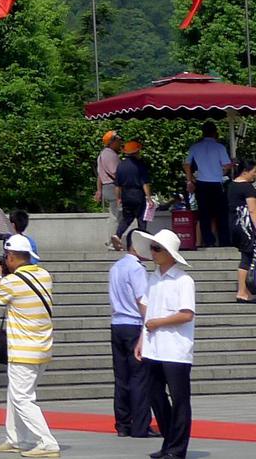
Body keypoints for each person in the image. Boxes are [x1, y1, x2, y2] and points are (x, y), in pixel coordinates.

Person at [0, 234, 59, 456]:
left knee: (22, 398)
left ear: (10, 256)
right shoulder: (44, 275)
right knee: (15, 393)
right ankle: (17, 438)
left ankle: (47, 443)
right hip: (41, 347)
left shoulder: (11, 282)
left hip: (23, 350)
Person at [134, 228, 196, 459]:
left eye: (157, 248)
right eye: (152, 247)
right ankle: (169, 442)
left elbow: (186, 314)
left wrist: (159, 322)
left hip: (176, 350)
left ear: (170, 253)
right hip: (154, 346)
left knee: (180, 400)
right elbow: (147, 313)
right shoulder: (154, 278)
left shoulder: (183, 280)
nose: (153, 252)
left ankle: (177, 448)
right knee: (155, 396)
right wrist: (141, 339)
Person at [107, 235, 155, 441]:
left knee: (121, 378)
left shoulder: (116, 267)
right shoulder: (137, 268)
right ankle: (141, 425)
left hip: (117, 324)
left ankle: (123, 423)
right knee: (139, 378)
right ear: (135, 247)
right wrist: (148, 326)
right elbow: (142, 299)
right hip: (134, 324)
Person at [185, 122, 233, 249]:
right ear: (215, 132)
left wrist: (189, 180)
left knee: (204, 214)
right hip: (217, 183)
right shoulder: (220, 147)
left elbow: (186, 164)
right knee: (221, 213)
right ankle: (224, 241)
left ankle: (208, 241)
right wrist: (222, 171)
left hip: (201, 183)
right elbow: (227, 165)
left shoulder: (195, 147)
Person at [115, 139, 151, 246]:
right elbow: (145, 182)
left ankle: (117, 235)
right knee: (141, 219)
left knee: (127, 218)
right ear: (136, 152)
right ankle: (142, 241)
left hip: (126, 195)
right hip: (138, 194)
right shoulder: (140, 165)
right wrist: (148, 197)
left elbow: (117, 185)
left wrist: (118, 198)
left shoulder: (120, 165)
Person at [230, 161, 256, 303]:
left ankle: (245, 291)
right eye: (254, 172)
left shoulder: (232, 185)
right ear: (245, 171)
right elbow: (252, 210)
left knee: (246, 255)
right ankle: (242, 291)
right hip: (246, 227)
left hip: (235, 226)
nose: (255, 175)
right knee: (248, 256)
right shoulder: (247, 188)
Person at [96, 130, 122, 251]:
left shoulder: (102, 154)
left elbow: (99, 175)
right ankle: (112, 242)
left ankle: (110, 240)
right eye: (118, 140)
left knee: (114, 214)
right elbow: (115, 172)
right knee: (115, 215)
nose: (120, 142)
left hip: (107, 187)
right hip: (113, 187)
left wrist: (99, 190)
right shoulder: (110, 154)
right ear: (112, 142)